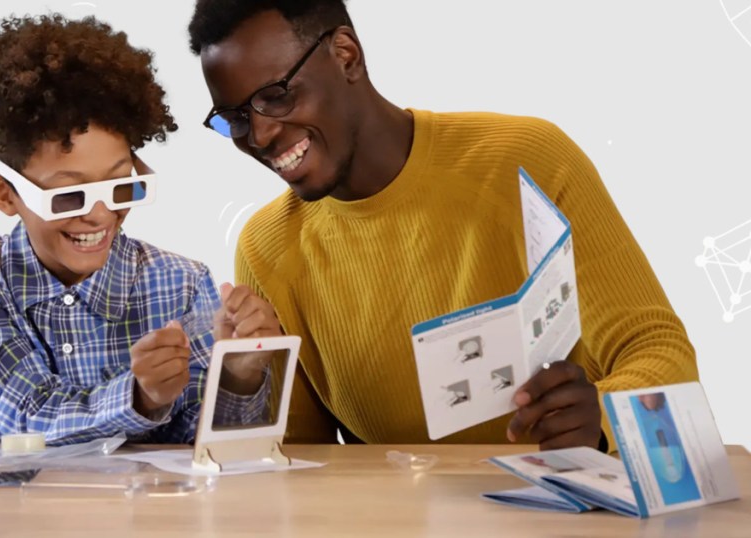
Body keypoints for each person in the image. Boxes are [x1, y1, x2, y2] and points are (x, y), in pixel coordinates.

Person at [187, 0, 698, 450]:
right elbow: (300, 460)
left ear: (346, 54)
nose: (259, 135)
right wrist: (242, 376)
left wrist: (601, 420)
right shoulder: (267, 246)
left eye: (276, 96)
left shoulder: (526, 162)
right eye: (234, 118)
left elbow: (658, 350)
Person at [0, 14, 282, 445]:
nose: (100, 215)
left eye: (120, 186)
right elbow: (14, 419)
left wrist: (240, 375)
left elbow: (214, 448)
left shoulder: (182, 284)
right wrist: (140, 398)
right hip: (26, 513)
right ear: (4, 193)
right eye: (68, 195)